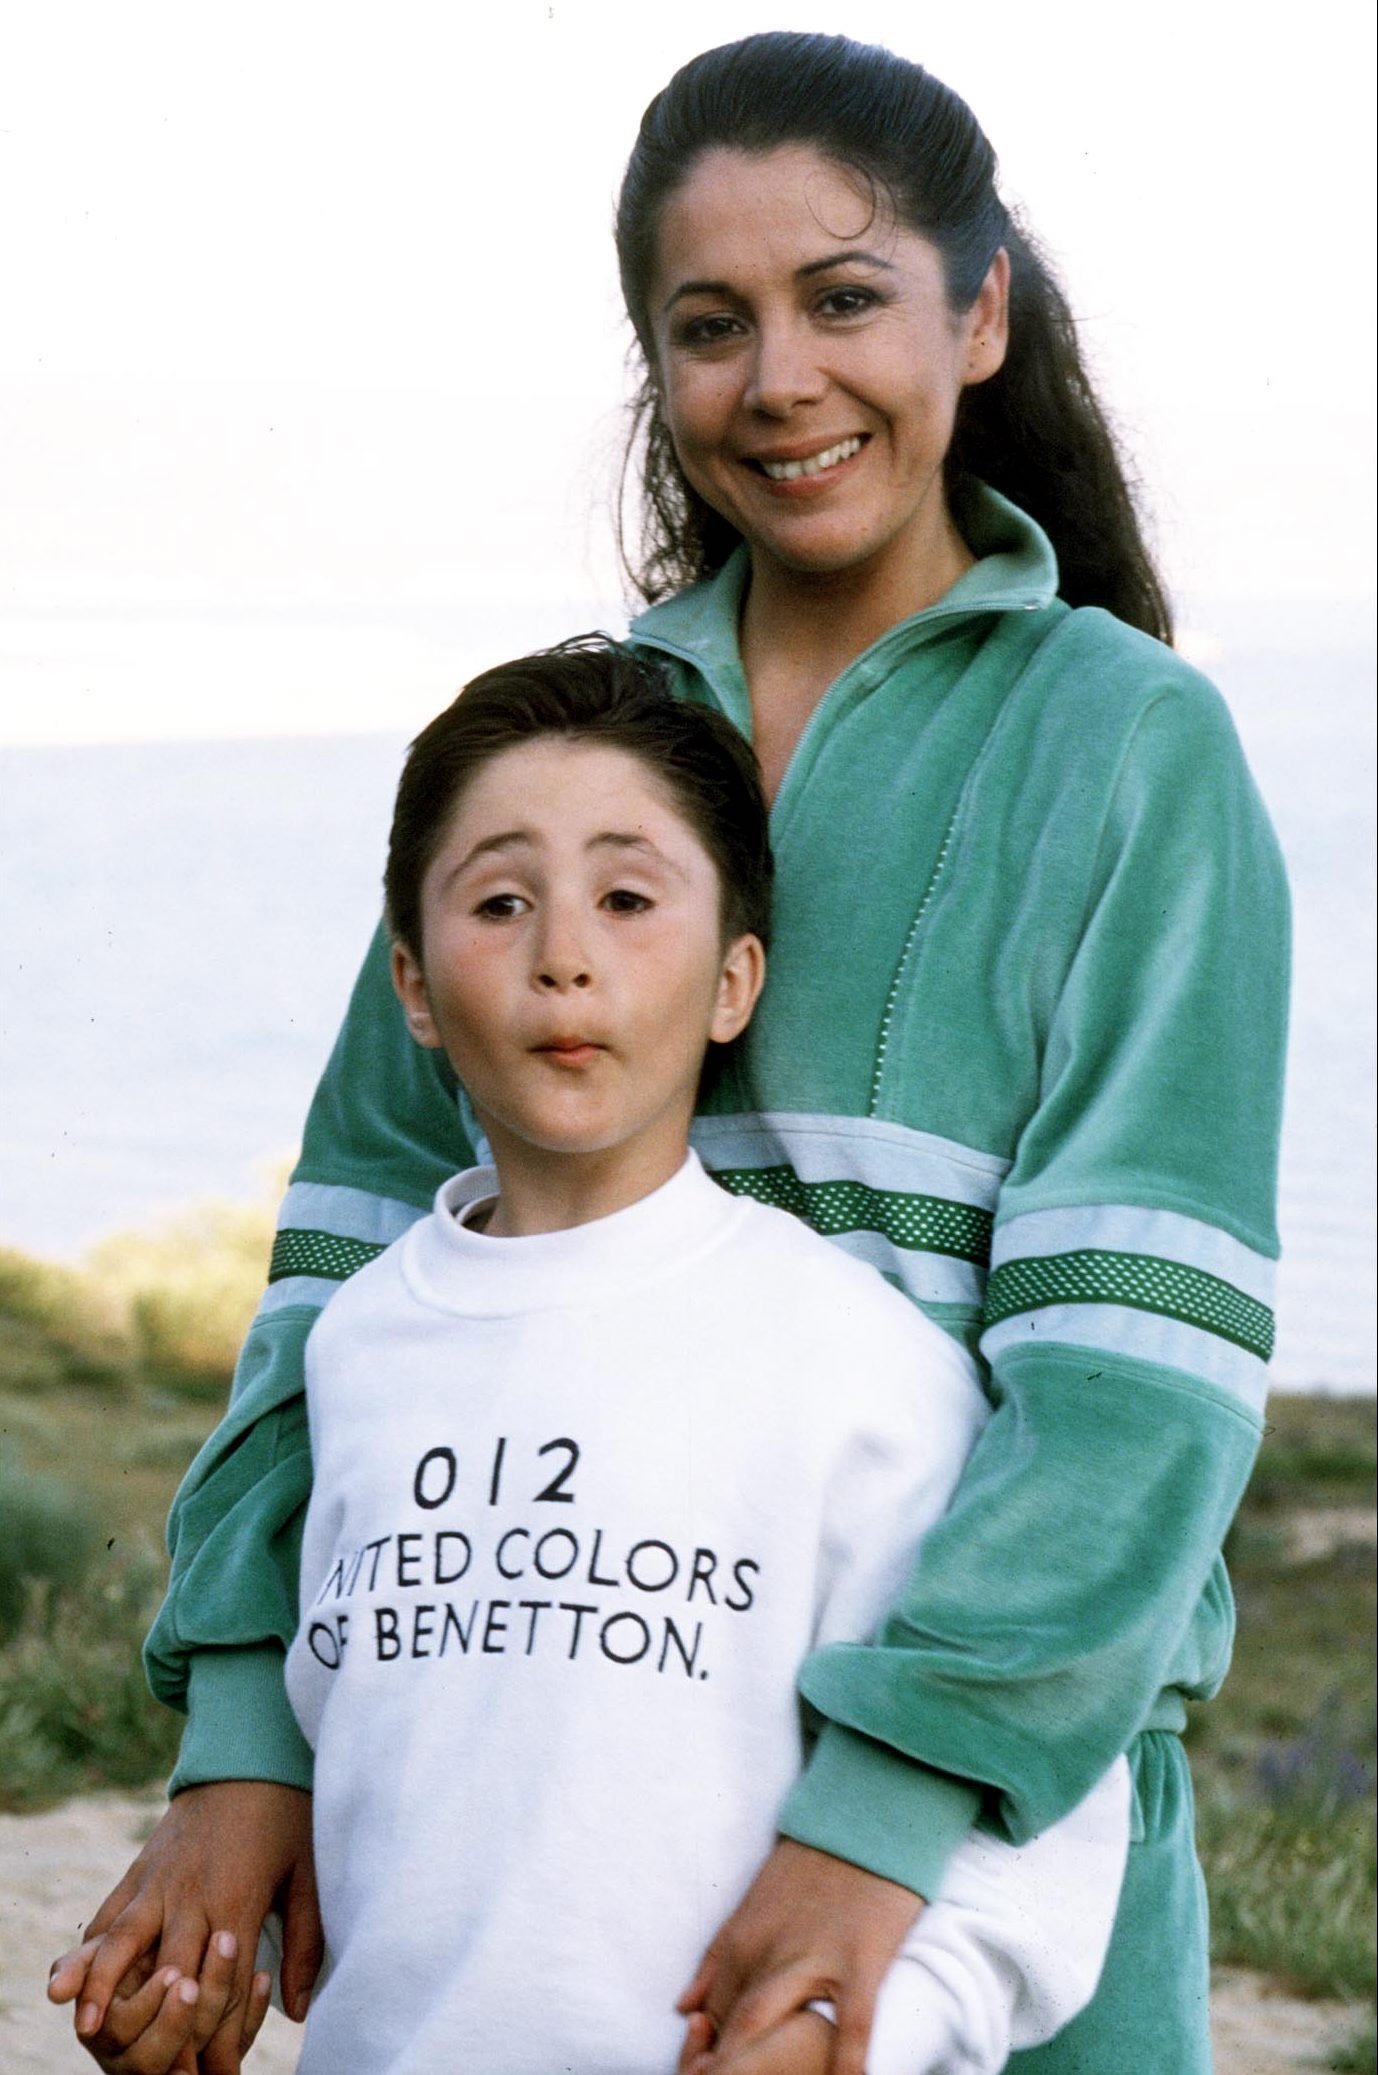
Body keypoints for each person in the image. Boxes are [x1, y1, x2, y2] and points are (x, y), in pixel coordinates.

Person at [50, 30, 1289, 2075]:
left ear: (975, 312)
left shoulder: (1128, 750)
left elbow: (1131, 1388)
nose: (777, 380)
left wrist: (878, 1824)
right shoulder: (558, 763)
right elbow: (344, 1284)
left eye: (842, 298)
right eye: (707, 326)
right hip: (540, 1811)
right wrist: (244, 1740)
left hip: (968, 1849)